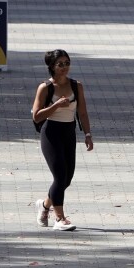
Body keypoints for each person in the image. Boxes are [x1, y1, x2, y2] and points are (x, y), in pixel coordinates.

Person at [31, 49, 94, 231]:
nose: (64, 67)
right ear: (51, 66)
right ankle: (60, 219)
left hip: (69, 132)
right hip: (51, 132)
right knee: (59, 176)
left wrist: (88, 135)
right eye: (60, 64)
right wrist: (56, 104)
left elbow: (82, 112)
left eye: (67, 63)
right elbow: (36, 116)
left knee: (66, 179)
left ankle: (44, 206)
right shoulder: (45, 88)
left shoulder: (76, 86)